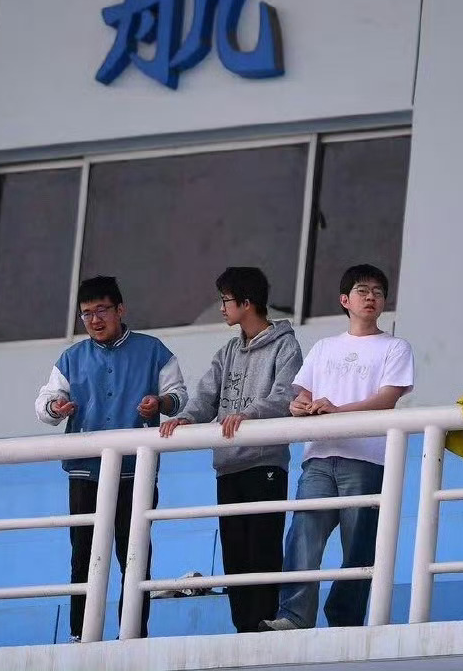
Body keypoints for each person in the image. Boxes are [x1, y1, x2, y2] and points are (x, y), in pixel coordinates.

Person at [261, 264, 414, 631]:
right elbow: (303, 395)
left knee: (358, 547)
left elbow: (387, 399)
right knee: (302, 538)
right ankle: (294, 616)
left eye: (378, 292)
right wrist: (299, 406)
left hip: (366, 459)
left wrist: (337, 412)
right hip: (318, 457)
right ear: (345, 300)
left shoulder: (395, 347)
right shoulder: (324, 347)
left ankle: (345, 620)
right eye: (363, 290)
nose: (371, 297)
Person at [35, 275, 187, 641]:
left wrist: (160, 403)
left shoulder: (154, 350)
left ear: (120, 309)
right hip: (85, 472)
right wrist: (56, 407)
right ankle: (80, 636)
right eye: (86, 314)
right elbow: (44, 404)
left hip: (135, 472)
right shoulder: (71, 358)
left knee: (134, 556)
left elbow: (178, 395)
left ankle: (132, 635)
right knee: (82, 557)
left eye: (101, 310)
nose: (94, 320)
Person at [159, 267, 304, 633]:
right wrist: (185, 419)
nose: (222, 308)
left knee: (263, 548)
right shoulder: (226, 352)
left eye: (225, 300)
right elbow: (205, 397)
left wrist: (248, 414)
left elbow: (285, 397)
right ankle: (244, 629)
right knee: (235, 553)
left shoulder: (285, 346)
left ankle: (263, 627)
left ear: (247, 302)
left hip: (266, 463)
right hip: (228, 466)